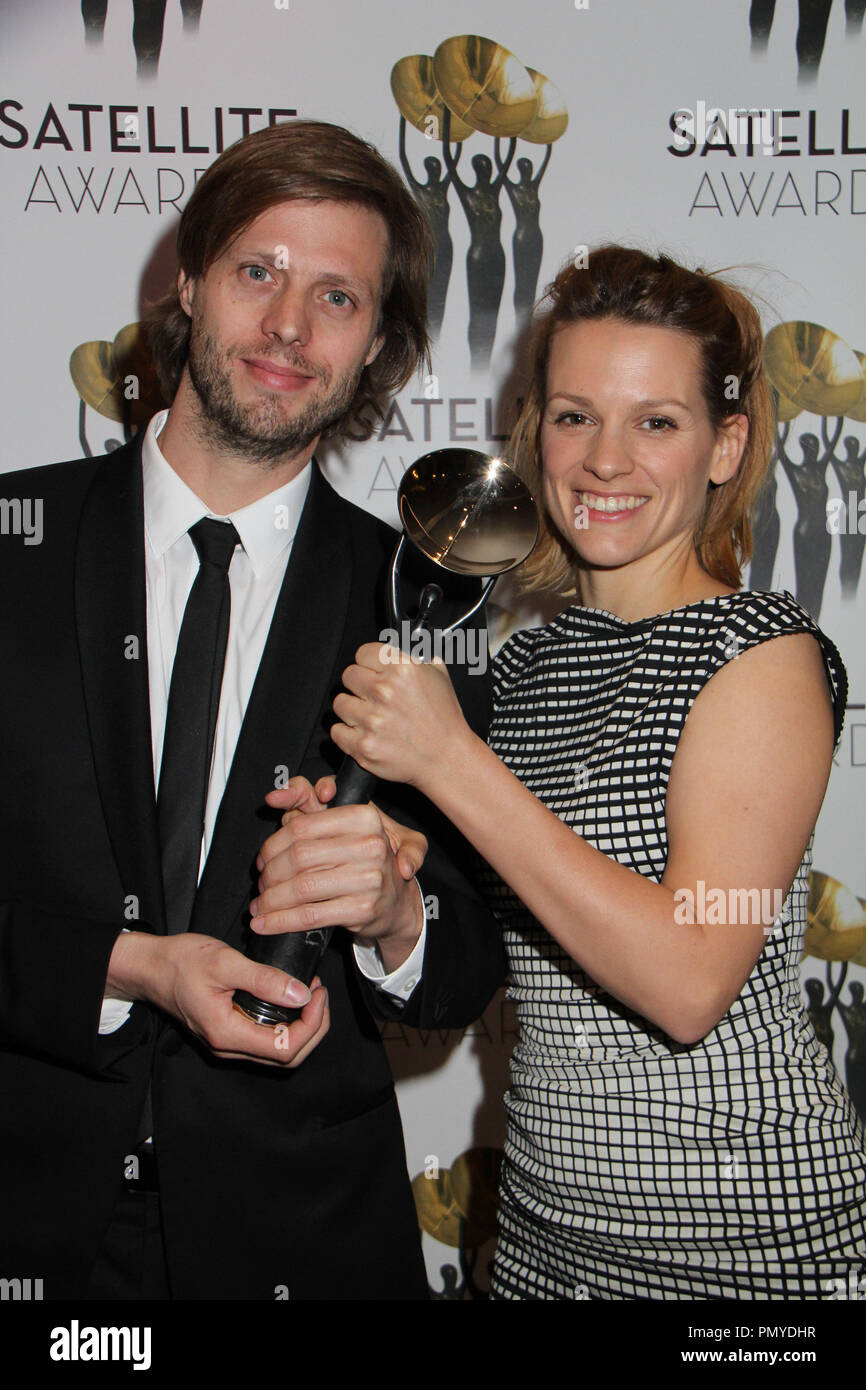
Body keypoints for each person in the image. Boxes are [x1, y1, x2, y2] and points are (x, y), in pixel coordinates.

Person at [0, 119, 503, 1301]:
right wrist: (127, 967)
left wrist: (393, 913)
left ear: (377, 341)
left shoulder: (425, 602)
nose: (288, 327)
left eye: (337, 296)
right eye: (258, 272)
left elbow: (465, 957)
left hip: (304, 1241)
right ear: (188, 279)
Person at [307, 245, 866, 1299]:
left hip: (750, 1257)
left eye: (654, 421)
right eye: (573, 416)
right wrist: (383, 881)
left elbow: (688, 980)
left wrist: (451, 762)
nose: (604, 459)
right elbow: (496, 929)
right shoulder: (524, 664)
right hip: (542, 1241)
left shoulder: (756, 652)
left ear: (722, 444)